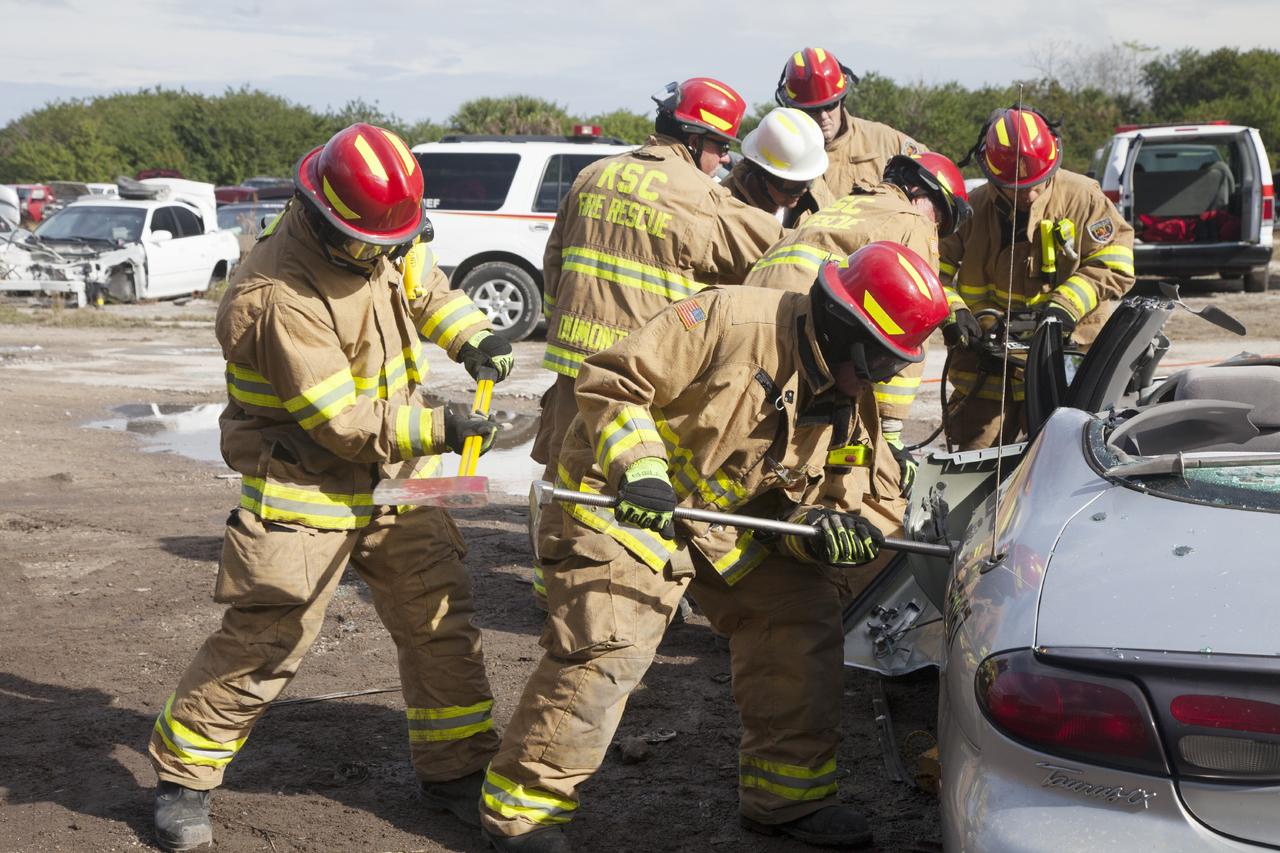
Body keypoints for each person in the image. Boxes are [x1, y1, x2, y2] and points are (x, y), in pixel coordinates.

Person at [480, 242, 950, 852]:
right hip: (622, 499)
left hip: (724, 523)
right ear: (843, 328)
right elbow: (613, 381)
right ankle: (522, 816)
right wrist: (641, 469)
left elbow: (855, 490)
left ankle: (785, 799)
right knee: (612, 638)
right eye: (879, 363)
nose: (882, 379)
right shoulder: (728, 321)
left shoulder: (847, 390)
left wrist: (832, 532)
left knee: (799, 617)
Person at [147, 123, 513, 851]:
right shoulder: (276, 293)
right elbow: (341, 420)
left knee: (439, 618)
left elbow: (421, 281)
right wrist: (441, 428)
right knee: (266, 638)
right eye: (372, 244)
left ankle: (456, 772)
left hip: (395, 480)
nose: (386, 254)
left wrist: (473, 333)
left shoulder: (376, 234)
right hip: (306, 485)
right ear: (318, 211)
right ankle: (183, 779)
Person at [529, 78, 782, 606]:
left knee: (563, 480)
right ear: (694, 139)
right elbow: (778, 256)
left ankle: (549, 585)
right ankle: (618, 598)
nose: (721, 162)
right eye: (720, 148)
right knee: (637, 487)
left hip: (571, 365)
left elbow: (554, 265)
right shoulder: (702, 198)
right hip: (639, 378)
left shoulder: (591, 174)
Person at [747, 152, 971, 492]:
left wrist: (954, 308)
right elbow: (908, 324)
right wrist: (890, 439)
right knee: (826, 469)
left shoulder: (842, 207)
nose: (936, 228)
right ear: (918, 193)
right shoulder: (913, 220)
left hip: (759, 322)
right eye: (939, 216)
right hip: (808, 344)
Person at [939, 106, 1135, 449]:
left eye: (1036, 183)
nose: (1028, 195)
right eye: (1014, 188)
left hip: (1061, 358)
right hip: (988, 369)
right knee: (976, 461)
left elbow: (1115, 264)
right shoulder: (972, 209)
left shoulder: (1084, 198)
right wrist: (957, 313)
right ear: (990, 173)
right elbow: (930, 269)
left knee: (1063, 458)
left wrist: (1064, 307)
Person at [775, 47, 927, 196]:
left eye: (829, 106)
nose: (823, 116)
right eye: (813, 110)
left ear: (842, 100)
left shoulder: (882, 140)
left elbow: (933, 170)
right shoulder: (777, 151)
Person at [720, 106, 834, 228]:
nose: (804, 190)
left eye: (809, 180)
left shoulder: (814, 183)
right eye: (794, 186)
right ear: (763, 175)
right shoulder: (727, 210)